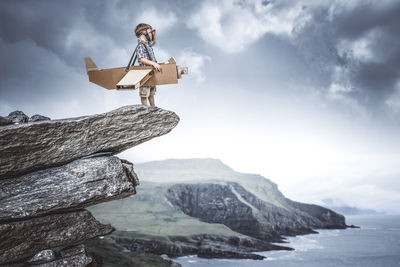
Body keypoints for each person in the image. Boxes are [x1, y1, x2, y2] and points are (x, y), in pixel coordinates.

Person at [134, 23, 161, 106]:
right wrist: (153, 63)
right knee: (144, 94)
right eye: (149, 32)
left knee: (151, 93)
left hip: (151, 73)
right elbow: (141, 58)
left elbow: (153, 42)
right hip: (144, 74)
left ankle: (153, 108)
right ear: (143, 33)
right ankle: (145, 111)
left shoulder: (147, 44)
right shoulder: (140, 45)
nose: (150, 34)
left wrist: (154, 36)